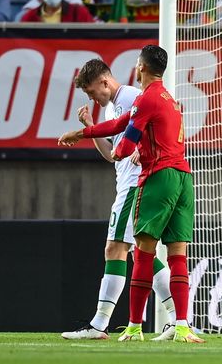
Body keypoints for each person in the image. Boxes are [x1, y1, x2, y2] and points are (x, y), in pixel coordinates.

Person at [58, 45, 204, 343]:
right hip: (169, 175)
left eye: (91, 92)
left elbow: (129, 141)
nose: (92, 99)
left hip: (141, 182)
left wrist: (134, 148)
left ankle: (101, 325)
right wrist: (90, 130)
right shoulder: (127, 104)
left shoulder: (132, 97)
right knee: (146, 253)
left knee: (116, 249)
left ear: (104, 81)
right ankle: (178, 320)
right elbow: (114, 152)